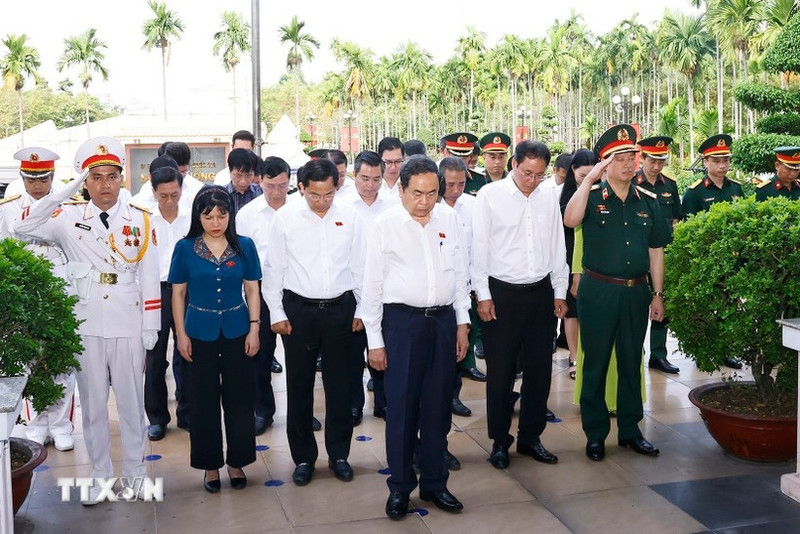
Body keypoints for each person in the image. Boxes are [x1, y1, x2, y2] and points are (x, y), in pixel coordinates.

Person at [12, 137, 161, 503]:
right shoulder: (68, 217)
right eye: (95, 177)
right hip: (87, 321)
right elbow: (24, 227)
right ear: (84, 182)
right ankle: (99, 477)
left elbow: (150, 274)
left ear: (122, 179)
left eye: (111, 176)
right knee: (93, 406)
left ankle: (137, 473)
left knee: (130, 403)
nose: (104, 184)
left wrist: (150, 325)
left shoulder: (140, 220)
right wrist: (63, 193)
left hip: (127, 319)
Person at [363, 155, 470, 520]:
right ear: (402, 190)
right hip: (401, 325)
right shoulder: (384, 225)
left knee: (439, 408)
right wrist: (374, 340)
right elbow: (371, 287)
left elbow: (460, 275)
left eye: (432, 194)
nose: (425, 202)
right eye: (417, 194)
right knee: (403, 410)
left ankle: (436, 484)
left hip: (442, 322)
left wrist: (462, 324)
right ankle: (400, 488)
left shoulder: (449, 219)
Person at [564, 124, 669, 462]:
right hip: (599, 292)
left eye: (631, 156)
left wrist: (658, 294)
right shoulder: (592, 198)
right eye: (619, 158)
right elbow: (570, 219)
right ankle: (595, 434)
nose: (628, 163)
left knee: (629, 360)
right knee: (594, 362)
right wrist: (588, 180)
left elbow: (656, 251)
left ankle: (630, 430)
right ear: (605, 163)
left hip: (636, 292)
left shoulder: (648, 202)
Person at [263, 158, 365, 486]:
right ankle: (304, 457)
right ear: (302, 188)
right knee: (299, 385)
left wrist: (363, 310)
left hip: (340, 309)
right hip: (299, 312)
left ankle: (339, 455)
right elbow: (273, 270)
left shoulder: (351, 216)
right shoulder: (286, 218)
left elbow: (361, 266)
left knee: (340, 385)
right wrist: (277, 313)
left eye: (329, 195)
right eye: (315, 195)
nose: (322, 202)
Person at [472, 140, 569, 470]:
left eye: (539, 175)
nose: (532, 180)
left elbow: (558, 247)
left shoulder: (547, 197)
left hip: (540, 293)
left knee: (540, 370)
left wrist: (559, 291)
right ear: (514, 164)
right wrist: (482, 295)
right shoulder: (490, 196)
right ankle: (500, 440)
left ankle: (531, 436)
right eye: (527, 173)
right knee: (500, 373)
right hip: (502, 295)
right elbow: (478, 250)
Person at [169, 185, 261, 493]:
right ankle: (210, 465)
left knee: (239, 398)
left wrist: (255, 328)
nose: (216, 221)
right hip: (199, 333)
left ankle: (237, 461)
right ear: (199, 217)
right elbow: (178, 294)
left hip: (237, 330)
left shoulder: (245, 246)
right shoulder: (185, 248)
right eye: (209, 216)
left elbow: (252, 289)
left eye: (222, 215)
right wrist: (181, 334)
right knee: (203, 400)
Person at [1, 147, 76, 452]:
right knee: (27, 361)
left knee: (61, 362)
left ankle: (60, 425)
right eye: (31, 179)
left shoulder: (69, 206)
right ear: (22, 178)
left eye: (43, 179)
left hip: (61, 292)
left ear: (52, 177)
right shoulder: (7, 209)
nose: (37, 186)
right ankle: (35, 425)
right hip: (25, 298)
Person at [236, 156, 292, 435]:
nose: (276, 192)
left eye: (282, 185)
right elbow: (242, 258)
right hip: (259, 292)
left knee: (298, 359)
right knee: (259, 355)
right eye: (271, 186)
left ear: (290, 182)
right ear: (261, 181)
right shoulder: (247, 215)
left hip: (295, 291)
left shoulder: (299, 210)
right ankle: (263, 410)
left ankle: (299, 413)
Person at [681, 134, 744, 370]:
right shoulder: (694, 193)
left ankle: (726, 350)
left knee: (729, 306)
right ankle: (704, 351)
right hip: (706, 261)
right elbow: (687, 230)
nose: (722, 165)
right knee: (705, 309)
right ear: (705, 162)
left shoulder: (736, 188)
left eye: (725, 160)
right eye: (716, 160)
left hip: (732, 260)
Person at [340, 151, 393, 424]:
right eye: (364, 178)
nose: (370, 185)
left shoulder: (394, 204)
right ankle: (353, 404)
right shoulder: (341, 206)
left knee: (383, 348)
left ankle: (384, 402)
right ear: (354, 175)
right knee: (351, 354)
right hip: (351, 291)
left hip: (386, 291)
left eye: (376, 179)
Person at [144, 164, 192, 441]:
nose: (170, 201)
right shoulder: (144, 220)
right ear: (154, 192)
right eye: (164, 196)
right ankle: (157, 418)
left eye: (174, 194)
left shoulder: (190, 218)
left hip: (188, 291)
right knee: (154, 356)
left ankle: (187, 413)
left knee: (188, 352)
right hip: (157, 292)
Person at [438, 156, 486, 418]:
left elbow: (479, 250)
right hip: (440, 294)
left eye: (461, 184)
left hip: (466, 290)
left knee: (460, 349)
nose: (456, 190)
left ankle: (454, 396)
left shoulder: (473, 206)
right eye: (451, 185)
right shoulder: (429, 206)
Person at [635, 136, 683, 374]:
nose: (656, 166)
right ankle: (636, 353)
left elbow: (676, 218)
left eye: (661, 161)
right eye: (652, 161)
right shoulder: (631, 181)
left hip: (661, 254)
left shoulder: (669, 185)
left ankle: (658, 354)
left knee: (659, 301)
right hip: (636, 253)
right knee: (636, 308)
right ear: (641, 158)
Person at [558, 149, 599, 379]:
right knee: (571, 312)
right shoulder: (563, 195)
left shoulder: (601, 192)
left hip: (593, 260)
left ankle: (590, 355)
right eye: (583, 175)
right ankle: (574, 356)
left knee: (590, 313)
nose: (588, 179)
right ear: (572, 171)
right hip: (568, 258)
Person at [224, 148, 263, 216]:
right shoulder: (221, 194)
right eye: (238, 176)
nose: (243, 181)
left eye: (248, 176)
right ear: (230, 172)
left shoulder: (261, 193)